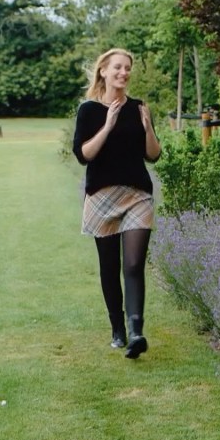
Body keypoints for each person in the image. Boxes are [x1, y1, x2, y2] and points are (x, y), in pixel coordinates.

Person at [73, 48, 162, 359]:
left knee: (134, 264)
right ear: (103, 71)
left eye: (127, 68)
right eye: (118, 68)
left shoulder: (139, 108)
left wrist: (147, 127)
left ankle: (136, 332)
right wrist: (108, 125)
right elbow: (84, 155)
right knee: (109, 267)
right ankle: (117, 329)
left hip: (137, 195)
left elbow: (153, 154)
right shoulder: (88, 111)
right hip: (102, 196)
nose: (124, 73)